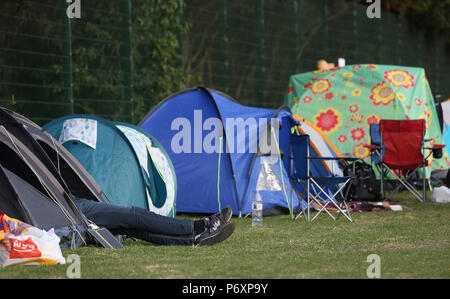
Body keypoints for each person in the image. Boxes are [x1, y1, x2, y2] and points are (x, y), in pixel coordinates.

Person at [73, 197, 234, 247]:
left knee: (129, 228)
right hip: (68, 208)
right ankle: (201, 226)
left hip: (67, 204)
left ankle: (194, 238)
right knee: (133, 215)